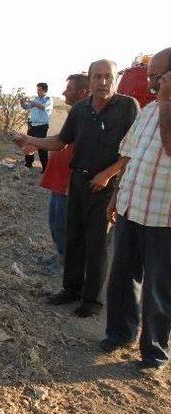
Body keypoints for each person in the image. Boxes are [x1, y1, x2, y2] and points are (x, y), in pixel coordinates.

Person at [13, 60, 139, 317]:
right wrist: (31, 141)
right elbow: (60, 141)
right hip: (78, 181)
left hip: (105, 186)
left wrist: (107, 175)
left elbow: (133, 150)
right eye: (97, 77)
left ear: (115, 79)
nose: (103, 82)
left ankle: (91, 301)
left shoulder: (127, 106)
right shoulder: (80, 109)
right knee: (73, 238)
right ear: (90, 79)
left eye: (108, 76)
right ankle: (71, 289)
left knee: (96, 245)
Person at [101, 47, 171, 375]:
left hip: (163, 219)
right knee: (122, 277)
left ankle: (154, 353)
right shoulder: (147, 111)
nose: (152, 85)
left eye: (157, 78)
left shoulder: (165, 110)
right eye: (151, 78)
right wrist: (116, 195)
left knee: (159, 288)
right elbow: (129, 157)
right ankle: (119, 333)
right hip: (131, 209)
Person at [32, 74, 90, 272]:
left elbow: (59, 142)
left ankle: (67, 264)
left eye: (69, 88)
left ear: (82, 92)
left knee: (63, 225)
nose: (64, 92)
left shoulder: (87, 115)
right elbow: (60, 139)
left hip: (68, 181)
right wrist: (33, 142)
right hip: (59, 179)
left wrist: (31, 141)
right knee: (55, 222)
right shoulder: (77, 112)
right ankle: (61, 257)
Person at [20, 82, 53, 172]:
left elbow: (42, 107)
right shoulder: (36, 99)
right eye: (37, 90)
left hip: (41, 127)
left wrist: (32, 102)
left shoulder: (48, 99)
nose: (37, 92)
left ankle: (45, 168)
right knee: (28, 144)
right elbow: (26, 107)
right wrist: (21, 102)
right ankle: (29, 164)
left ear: (45, 91)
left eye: (39, 90)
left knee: (41, 147)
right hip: (32, 125)